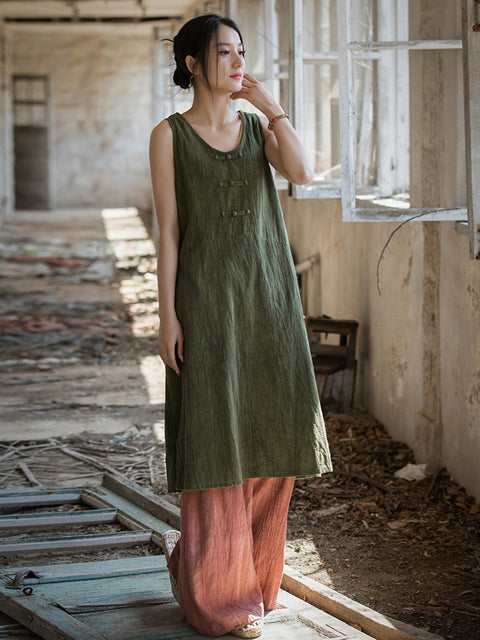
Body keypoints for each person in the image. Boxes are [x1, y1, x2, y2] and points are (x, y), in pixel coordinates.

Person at [149, 14, 332, 638]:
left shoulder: (257, 129)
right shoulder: (168, 135)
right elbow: (169, 231)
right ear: (194, 63)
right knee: (211, 441)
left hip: (268, 304)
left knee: (273, 435)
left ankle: (250, 576)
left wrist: (272, 105)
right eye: (222, 52)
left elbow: (303, 173)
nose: (236, 62)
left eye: (242, 51)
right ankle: (215, 595)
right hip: (203, 305)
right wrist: (166, 313)